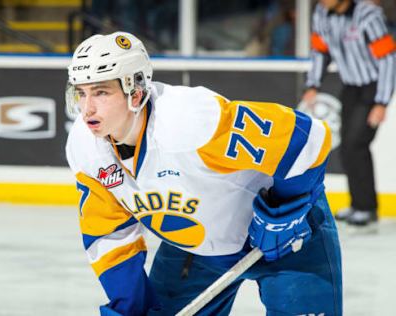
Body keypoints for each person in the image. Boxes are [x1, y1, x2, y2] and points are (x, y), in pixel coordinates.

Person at [65, 32, 342, 315]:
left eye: (100, 92)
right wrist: (130, 307)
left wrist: (282, 214)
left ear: (135, 92)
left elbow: (308, 140)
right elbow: (110, 235)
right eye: (81, 93)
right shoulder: (85, 147)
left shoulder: (189, 122)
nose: (87, 109)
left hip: (290, 241)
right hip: (194, 254)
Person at [302, 0, 396, 228]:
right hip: (351, 87)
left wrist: (381, 101)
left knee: (356, 145)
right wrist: (312, 84)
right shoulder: (322, 14)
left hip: (373, 87)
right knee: (346, 149)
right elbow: (320, 51)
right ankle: (358, 204)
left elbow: (387, 59)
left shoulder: (368, 15)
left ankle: (366, 207)